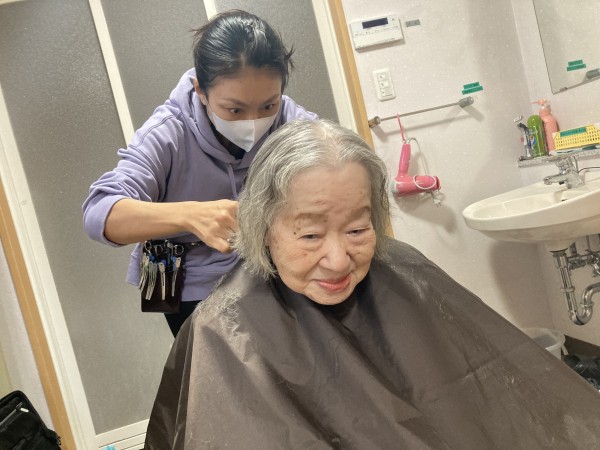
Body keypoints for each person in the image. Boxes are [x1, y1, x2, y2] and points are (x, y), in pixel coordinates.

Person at [144, 119, 600, 449]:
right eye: (309, 235)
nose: (338, 259)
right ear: (263, 227)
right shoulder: (222, 329)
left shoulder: (403, 271)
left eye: (359, 229)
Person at [82, 10, 317, 336]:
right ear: (201, 91)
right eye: (234, 109)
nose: (253, 122)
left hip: (256, 264)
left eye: (268, 105)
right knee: (201, 356)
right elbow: (98, 213)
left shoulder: (291, 120)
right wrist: (190, 215)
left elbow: (338, 161)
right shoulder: (167, 131)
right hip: (172, 266)